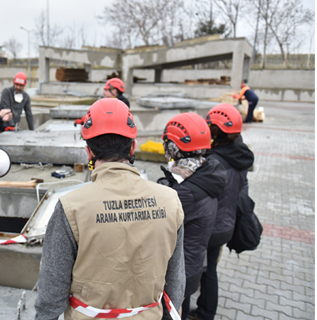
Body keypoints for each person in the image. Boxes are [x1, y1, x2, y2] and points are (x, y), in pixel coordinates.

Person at [35, 98, 185, 320]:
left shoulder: (71, 207)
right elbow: (175, 285)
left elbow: (51, 292)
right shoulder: (170, 200)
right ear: (132, 146)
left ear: (88, 152)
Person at [189, 104, 254, 320]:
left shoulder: (214, 161)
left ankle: (204, 313)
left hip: (210, 226)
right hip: (227, 223)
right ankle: (206, 309)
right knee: (210, 269)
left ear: (215, 130)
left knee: (200, 270)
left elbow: (200, 194)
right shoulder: (239, 154)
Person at [159, 113, 227, 320]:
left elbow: (156, 227)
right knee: (183, 308)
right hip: (193, 263)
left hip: (179, 271)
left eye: (167, 143)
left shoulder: (185, 192)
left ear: (174, 148)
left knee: (172, 313)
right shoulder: (206, 172)